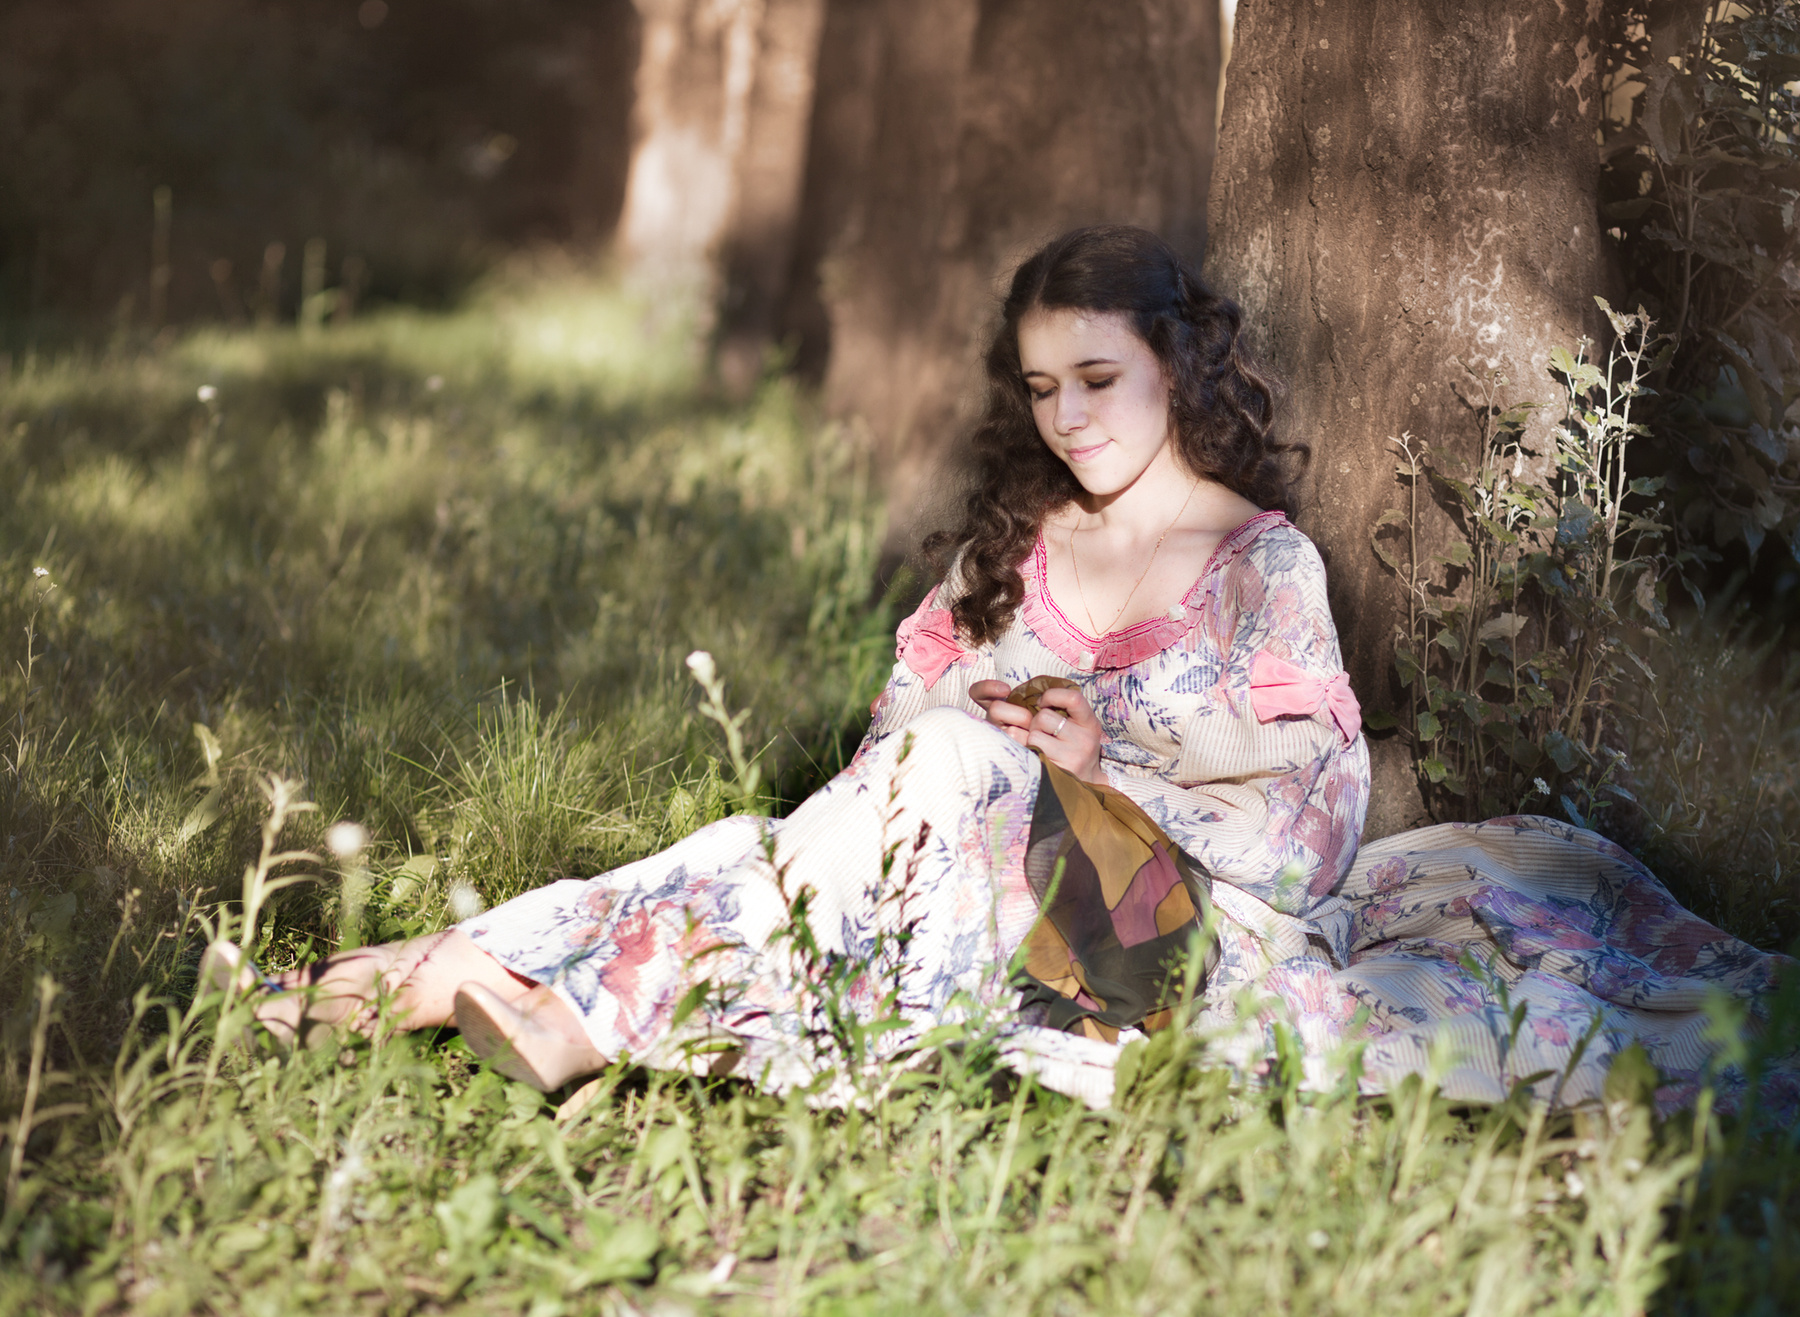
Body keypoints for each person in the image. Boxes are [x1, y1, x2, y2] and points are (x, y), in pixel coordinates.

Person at [204, 226, 1790, 1114]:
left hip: (1181, 931)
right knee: (824, 819)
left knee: (967, 768)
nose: (1069, 416)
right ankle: (452, 973)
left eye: (1099, 377)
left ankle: (564, 1001)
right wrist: (996, 752)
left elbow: (1314, 839)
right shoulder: (1017, 549)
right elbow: (875, 786)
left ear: (1179, 367)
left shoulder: (1262, 567)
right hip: (966, 883)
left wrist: (1102, 777)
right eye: (1041, 387)